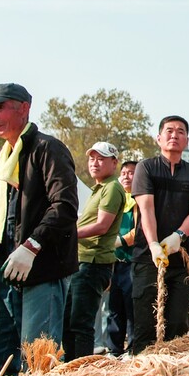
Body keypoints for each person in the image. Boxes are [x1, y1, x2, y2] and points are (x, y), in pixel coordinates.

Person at [0, 83, 78, 376]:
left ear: (24, 108)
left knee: (37, 357)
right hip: (1, 265)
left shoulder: (48, 149)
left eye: (0, 107)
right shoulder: (0, 156)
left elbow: (65, 206)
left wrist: (32, 244)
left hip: (41, 266)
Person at [129, 116, 189, 354]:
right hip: (147, 257)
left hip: (180, 258)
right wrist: (153, 244)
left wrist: (179, 235)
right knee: (146, 324)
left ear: (187, 140)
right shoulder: (146, 167)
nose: (174, 135)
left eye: (180, 131)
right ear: (158, 138)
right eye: (169, 131)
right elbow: (146, 208)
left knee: (177, 324)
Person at [63, 142, 126, 361]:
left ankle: (80, 371)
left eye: (101, 159)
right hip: (82, 261)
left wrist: (68, 234)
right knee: (70, 323)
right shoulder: (98, 189)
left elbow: (102, 226)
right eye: (92, 158)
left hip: (93, 262)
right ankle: (70, 368)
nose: (95, 163)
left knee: (80, 323)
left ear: (114, 163)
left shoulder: (112, 188)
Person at [106, 159, 139, 354]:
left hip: (132, 261)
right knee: (114, 308)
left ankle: (133, 348)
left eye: (132, 172)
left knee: (132, 309)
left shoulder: (141, 200)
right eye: (124, 172)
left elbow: (140, 229)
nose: (127, 176)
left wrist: (121, 241)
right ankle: (113, 350)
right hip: (113, 262)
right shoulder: (115, 197)